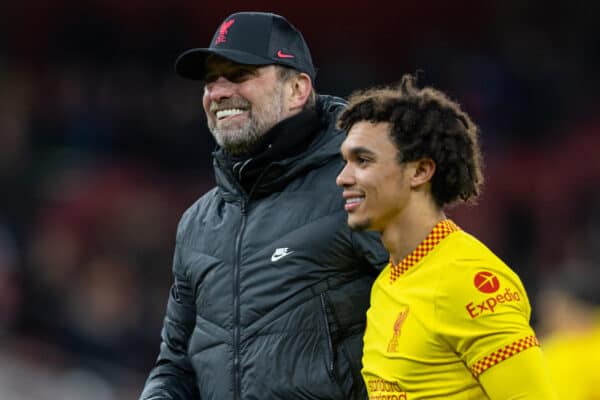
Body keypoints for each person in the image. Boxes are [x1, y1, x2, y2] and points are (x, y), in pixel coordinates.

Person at [139, 11, 388, 400]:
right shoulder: (197, 224)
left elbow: (435, 313)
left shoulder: (358, 188)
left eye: (239, 75)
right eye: (210, 81)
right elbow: (175, 366)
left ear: (297, 90)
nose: (218, 93)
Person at [335, 75, 558, 399]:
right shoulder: (388, 283)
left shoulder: (469, 281)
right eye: (345, 162)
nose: (343, 178)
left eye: (363, 160)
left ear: (419, 171)